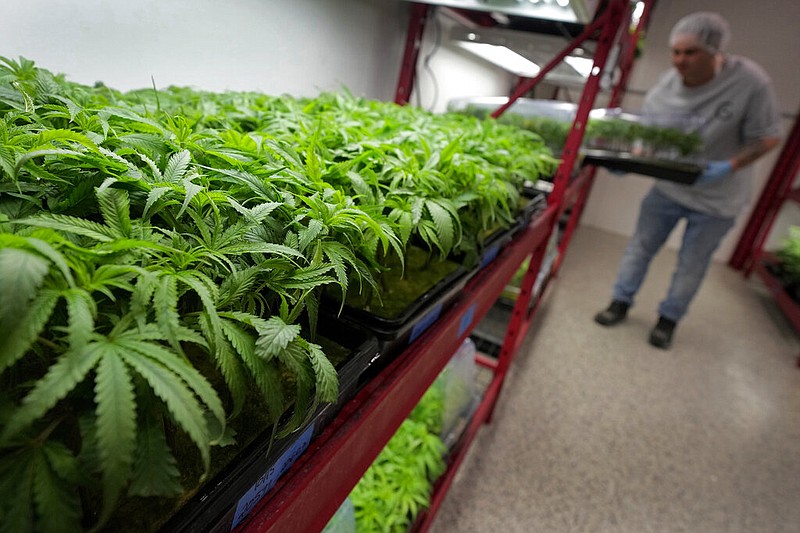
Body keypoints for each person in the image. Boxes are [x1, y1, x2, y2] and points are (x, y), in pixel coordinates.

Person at [594, 11, 782, 349]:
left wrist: (730, 165)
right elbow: (648, 137)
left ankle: (669, 320)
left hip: (718, 198)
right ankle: (619, 302)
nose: (680, 60)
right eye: (675, 52)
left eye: (690, 52)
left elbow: (768, 137)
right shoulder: (664, 89)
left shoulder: (749, 82)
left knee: (692, 264)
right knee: (640, 247)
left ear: (714, 51)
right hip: (668, 189)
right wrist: (629, 159)